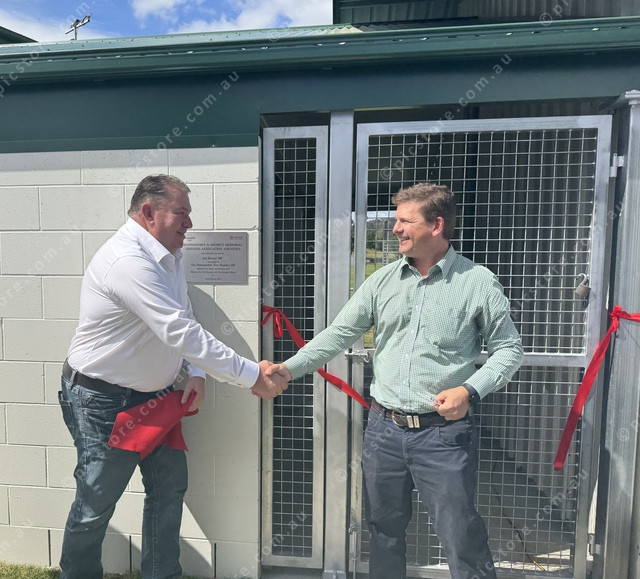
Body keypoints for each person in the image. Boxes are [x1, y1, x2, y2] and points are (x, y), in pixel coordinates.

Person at [267, 183, 524, 579]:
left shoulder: (477, 282)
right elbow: (339, 333)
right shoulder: (382, 281)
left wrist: (469, 390)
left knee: (459, 532)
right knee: (383, 530)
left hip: (443, 434)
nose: (395, 228)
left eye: (406, 220)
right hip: (383, 430)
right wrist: (288, 368)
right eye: (396, 220)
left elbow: (509, 349)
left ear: (436, 225)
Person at [58, 174, 287, 579]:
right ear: (149, 212)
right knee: (96, 503)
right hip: (102, 402)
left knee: (168, 489)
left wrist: (195, 371)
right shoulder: (127, 262)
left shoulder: (169, 256)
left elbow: (183, 317)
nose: (189, 223)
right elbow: (179, 331)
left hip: (157, 398)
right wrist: (252, 375)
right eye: (181, 213)